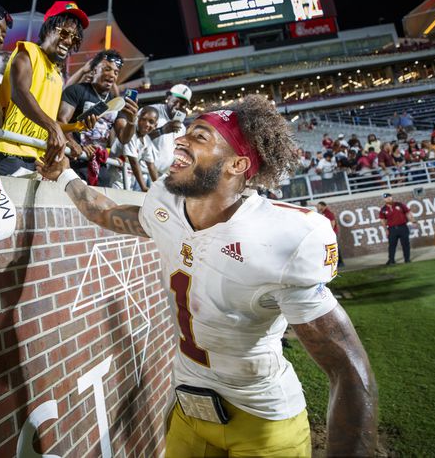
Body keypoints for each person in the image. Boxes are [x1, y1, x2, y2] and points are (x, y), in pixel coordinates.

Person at [37, 95, 377, 456]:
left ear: (237, 164)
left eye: (200, 137)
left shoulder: (282, 237)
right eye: (186, 133)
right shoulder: (165, 203)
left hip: (263, 421)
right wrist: (67, 175)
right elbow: (107, 213)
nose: (181, 140)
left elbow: (349, 370)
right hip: (189, 409)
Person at [0, 0, 88, 175]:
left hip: (39, 159)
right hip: (10, 153)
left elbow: (46, 120)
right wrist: (53, 127)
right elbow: (19, 93)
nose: (68, 41)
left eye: (74, 37)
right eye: (64, 32)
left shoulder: (57, 76)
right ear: (48, 29)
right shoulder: (27, 52)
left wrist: (75, 128)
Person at [58, 50, 138, 184]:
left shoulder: (116, 102)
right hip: (74, 161)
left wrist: (132, 121)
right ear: (94, 71)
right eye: (107, 69)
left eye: (116, 72)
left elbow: (124, 138)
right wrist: (74, 144)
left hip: (99, 166)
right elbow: (60, 121)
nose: (112, 75)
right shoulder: (76, 90)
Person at [108, 106, 158, 191]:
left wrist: (160, 187)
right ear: (137, 119)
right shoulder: (130, 134)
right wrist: (144, 187)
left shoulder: (147, 140)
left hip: (128, 181)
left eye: (151, 122)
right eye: (143, 119)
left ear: (155, 126)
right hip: (114, 180)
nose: (146, 124)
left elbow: (151, 166)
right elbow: (133, 162)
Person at [145, 84, 192, 174]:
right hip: (143, 172)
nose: (178, 106)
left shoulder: (181, 127)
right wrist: (162, 131)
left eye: (182, 104)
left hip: (162, 176)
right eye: (175, 101)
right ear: (168, 97)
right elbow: (136, 138)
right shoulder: (150, 112)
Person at [379, 192, 415, 265]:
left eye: (389, 197)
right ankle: (391, 260)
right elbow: (383, 220)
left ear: (392, 197)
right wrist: (386, 230)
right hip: (392, 229)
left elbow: (408, 212)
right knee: (392, 245)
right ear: (384, 199)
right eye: (386, 197)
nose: (388, 198)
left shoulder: (399, 205)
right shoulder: (383, 209)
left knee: (405, 244)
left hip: (403, 227)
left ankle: (407, 259)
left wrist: (413, 221)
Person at [317, 201, 344, 267]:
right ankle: (335, 262)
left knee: (335, 247)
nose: (317, 207)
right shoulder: (323, 213)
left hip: (332, 233)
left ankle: (340, 262)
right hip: (329, 233)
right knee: (331, 247)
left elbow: (333, 223)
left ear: (323, 206)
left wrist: (330, 232)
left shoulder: (328, 213)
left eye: (319, 206)